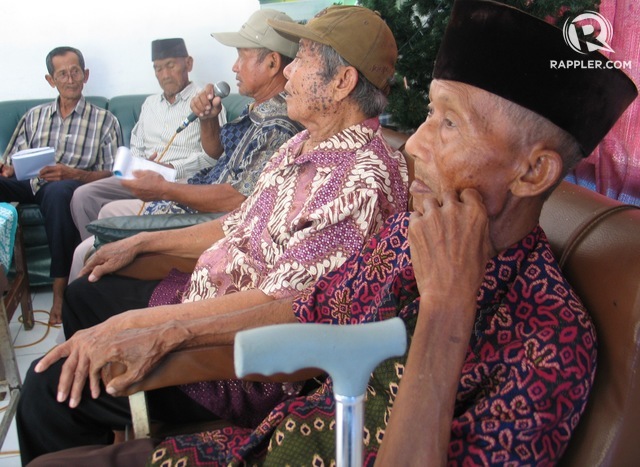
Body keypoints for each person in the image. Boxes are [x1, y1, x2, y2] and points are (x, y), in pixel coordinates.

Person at [23, 1, 639, 465]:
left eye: (448, 124)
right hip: (255, 444)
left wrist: (448, 311)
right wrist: (154, 334)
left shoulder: (551, 345)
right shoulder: (406, 237)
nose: (416, 145)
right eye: (427, 113)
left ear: (534, 171)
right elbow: (305, 315)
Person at [17, 5, 409, 464]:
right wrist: (143, 242)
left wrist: (144, 330)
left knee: (48, 390)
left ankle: (98, 420)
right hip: (201, 301)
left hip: (232, 358)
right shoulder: (305, 143)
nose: (289, 73)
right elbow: (238, 223)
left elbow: (285, 306)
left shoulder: (359, 181)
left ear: (342, 82)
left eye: (301, 59)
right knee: (88, 292)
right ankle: (99, 428)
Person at [67, 9, 304, 280]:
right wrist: (207, 119)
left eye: (241, 56)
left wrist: (165, 188)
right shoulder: (256, 109)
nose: (234, 67)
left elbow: (238, 198)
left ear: (273, 63)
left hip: (198, 220)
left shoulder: (277, 125)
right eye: (158, 67)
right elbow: (218, 156)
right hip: (188, 202)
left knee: (84, 253)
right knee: (104, 212)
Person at [0, 46, 122, 325]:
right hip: (29, 183)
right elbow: (10, 163)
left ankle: (60, 293)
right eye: (62, 74)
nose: (70, 79)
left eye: (75, 72)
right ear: (50, 80)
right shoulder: (34, 116)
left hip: (69, 185)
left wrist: (74, 174)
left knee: (57, 193)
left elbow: (112, 174)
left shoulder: (104, 120)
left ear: (86, 75)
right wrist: (6, 169)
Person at [70, 38, 226, 241]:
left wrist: (169, 167)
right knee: (83, 196)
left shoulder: (204, 100)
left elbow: (213, 156)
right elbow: (137, 145)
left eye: (171, 66)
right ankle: (94, 251)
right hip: (142, 174)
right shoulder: (150, 104)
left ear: (188, 63)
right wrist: (141, 164)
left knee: (110, 209)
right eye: (158, 69)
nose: (165, 75)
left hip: (180, 180)